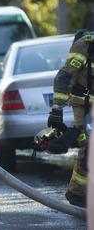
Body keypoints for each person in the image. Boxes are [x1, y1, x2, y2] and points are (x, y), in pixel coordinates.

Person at [47, 29, 94, 208]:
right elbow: (64, 77)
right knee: (88, 144)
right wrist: (57, 110)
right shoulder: (86, 45)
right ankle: (76, 193)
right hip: (85, 102)